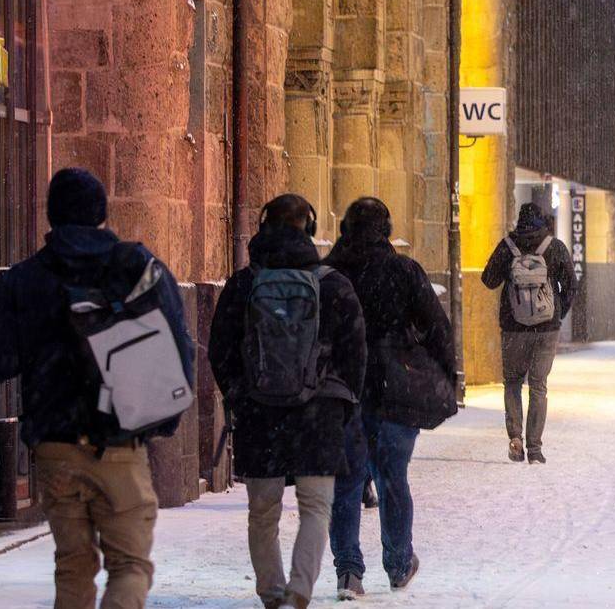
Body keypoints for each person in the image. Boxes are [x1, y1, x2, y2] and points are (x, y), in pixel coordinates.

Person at [0, 168, 194, 609]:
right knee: (130, 565)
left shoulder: (27, 278)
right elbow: (178, 342)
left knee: (72, 565)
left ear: (51, 215)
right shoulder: (134, 267)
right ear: (101, 213)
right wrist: (164, 417)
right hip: (119, 439)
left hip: (55, 446)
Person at [210, 195, 367, 609]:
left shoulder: (244, 284)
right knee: (316, 506)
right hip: (319, 413)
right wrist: (341, 402)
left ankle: (271, 592)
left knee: (263, 511)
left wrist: (240, 393)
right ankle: (300, 588)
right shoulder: (333, 284)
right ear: (310, 229)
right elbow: (356, 353)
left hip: (260, 413)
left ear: (263, 227)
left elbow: (219, 349)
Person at [323, 197, 457, 600]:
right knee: (393, 477)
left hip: (343, 389)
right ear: (386, 228)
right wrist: (445, 376)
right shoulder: (403, 272)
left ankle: (348, 570)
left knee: (345, 483)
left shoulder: (330, 273)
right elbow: (438, 328)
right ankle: (398, 564)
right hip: (394, 389)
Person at [481, 202, 576, 463]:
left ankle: (515, 437)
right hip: (547, 329)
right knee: (538, 386)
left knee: (512, 382)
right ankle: (534, 449)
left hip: (514, 328)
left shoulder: (508, 246)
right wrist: (557, 312)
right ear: (542, 221)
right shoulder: (553, 247)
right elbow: (570, 285)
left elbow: (488, 280)